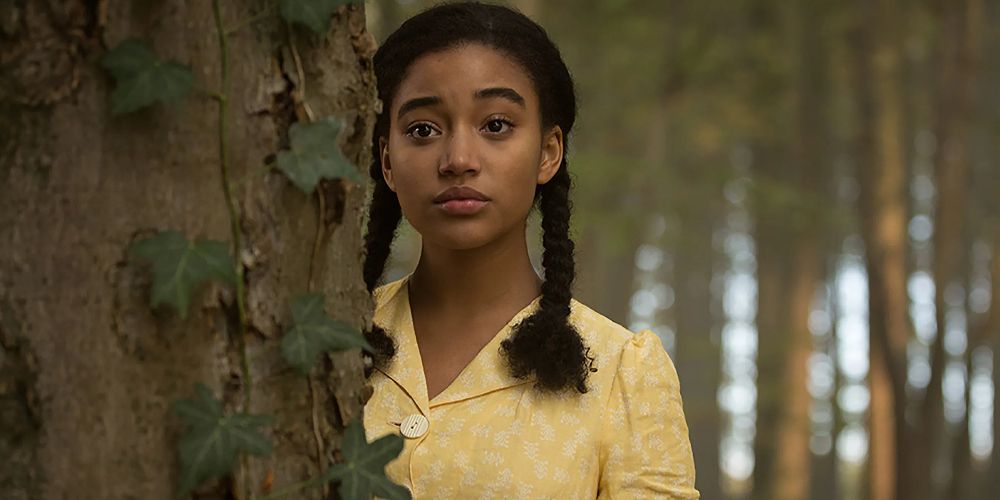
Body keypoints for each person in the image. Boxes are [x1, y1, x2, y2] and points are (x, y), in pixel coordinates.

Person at [361, 2, 698, 498]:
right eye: (423, 130)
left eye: (495, 125)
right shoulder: (333, 337)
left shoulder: (622, 374)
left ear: (548, 153)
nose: (458, 159)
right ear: (388, 161)